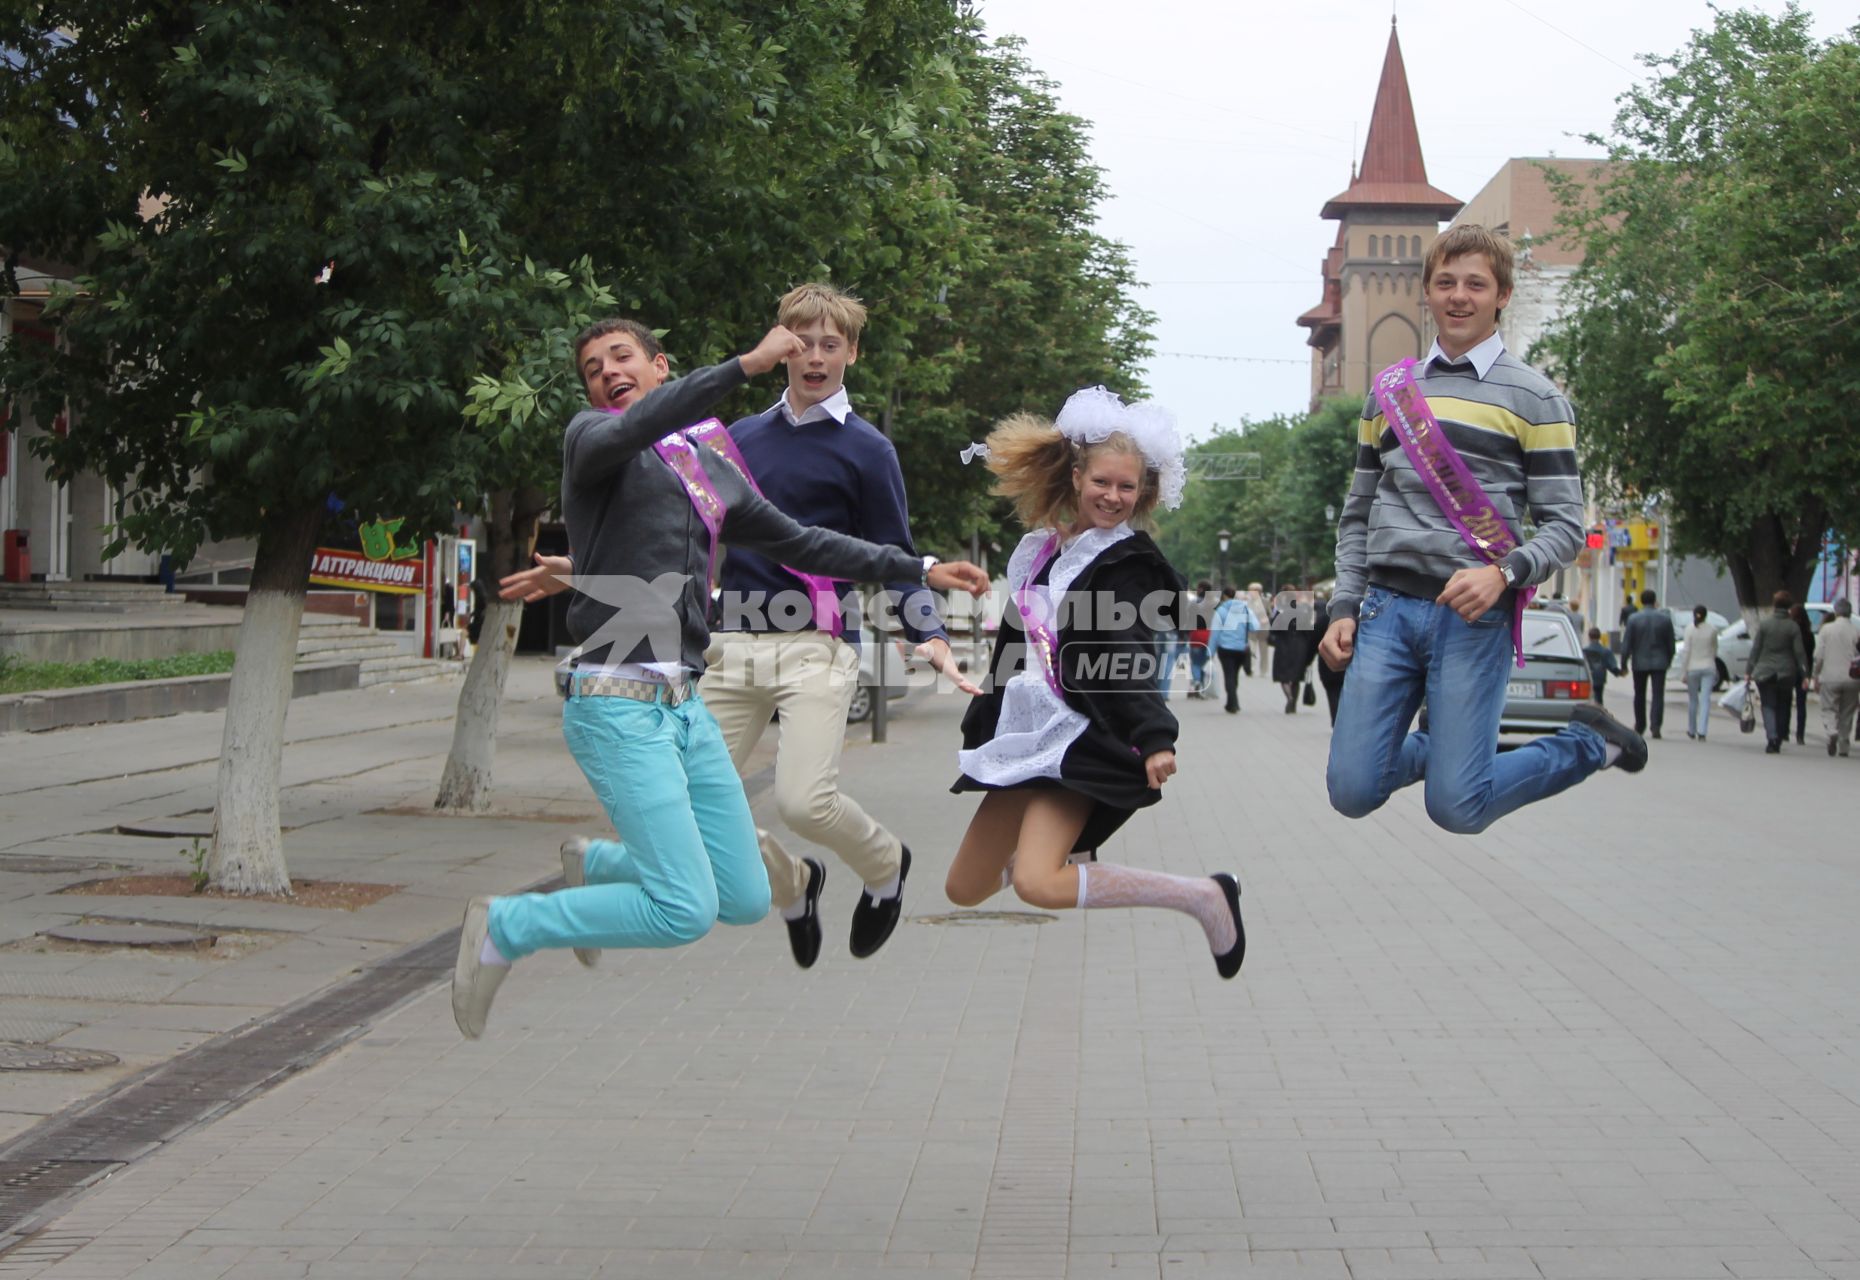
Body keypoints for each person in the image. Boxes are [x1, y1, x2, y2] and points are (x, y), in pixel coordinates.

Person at [452, 318, 987, 1038]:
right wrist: (747, 364)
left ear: (658, 363)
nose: (607, 371)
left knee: (738, 897)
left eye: (622, 357)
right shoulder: (592, 440)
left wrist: (916, 567)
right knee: (682, 910)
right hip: (616, 701)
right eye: (592, 367)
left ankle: (606, 864)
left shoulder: (703, 465)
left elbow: (800, 540)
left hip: (684, 708)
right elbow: (643, 423)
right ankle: (509, 925)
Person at [1320, 223, 1646, 837]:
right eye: (1446, 282)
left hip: (1474, 618)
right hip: (1385, 612)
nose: (1459, 296)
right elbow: (1358, 512)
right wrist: (1343, 606)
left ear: (1503, 294)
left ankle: (1586, 744)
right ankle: (1448, 753)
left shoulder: (1537, 399)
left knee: (1457, 807)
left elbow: (1565, 528)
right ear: (1427, 292)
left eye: (1476, 283)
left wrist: (1503, 574)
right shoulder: (1388, 393)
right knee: (1352, 790)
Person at [690, 283, 973, 969]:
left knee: (803, 803)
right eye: (801, 340)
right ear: (779, 344)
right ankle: (795, 883)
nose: (815, 356)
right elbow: (690, 534)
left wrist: (928, 629)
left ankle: (885, 866)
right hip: (729, 646)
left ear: (852, 352)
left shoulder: (867, 450)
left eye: (831, 343)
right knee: (692, 806)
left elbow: (895, 549)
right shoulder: (737, 440)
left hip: (815, 646)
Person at [943, 387, 1244, 979]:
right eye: (1102, 482)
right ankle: (1067, 850)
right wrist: (988, 705)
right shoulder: (1041, 552)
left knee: (1036, 881)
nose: (1113, 496)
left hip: (1083, 736)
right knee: (964, 887)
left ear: (1143, 492)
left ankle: (1203, 896)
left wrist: (1155, 735)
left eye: (1127, 487)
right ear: (1077, 475)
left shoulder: (1127, 565)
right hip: (1025, 733)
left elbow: (1128, 653)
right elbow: (1015, 637)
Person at [1748, 589, 1808, 755]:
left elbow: (1756, 648)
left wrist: (1749, 670)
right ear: (1789, 606)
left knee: (1768, 705)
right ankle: (1780, 736)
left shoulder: (1765, 624)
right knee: (1783, 704)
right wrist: (1805, 675)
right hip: (1786, 672)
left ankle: (1772, 737)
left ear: (1774, 605)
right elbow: (1800, 652)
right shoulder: (1793, 627)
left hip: (1764, 671)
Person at [1621, 589, 1674, 740]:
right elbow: (1671, 644)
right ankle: (1656, 726)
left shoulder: (1633, 619)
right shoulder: (1664, 619)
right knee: (1658, 695)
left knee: (1639, 695)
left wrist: (1624, 663)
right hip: (1660, 662)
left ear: (1642, 601)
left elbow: (1627, 643)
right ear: (1654, 600)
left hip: (1639, 662)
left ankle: (1640, 725)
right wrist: (1668, 660)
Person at [1811, 597, 1859, 756]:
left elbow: (1819, 656)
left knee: (1829, 708)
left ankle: (1832, 731)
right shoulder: (1856, 631)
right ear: (1850, 612)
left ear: (1836, 611)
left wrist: (1815, 675)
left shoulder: (1826, 630)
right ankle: (1844, 746)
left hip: (1829, 677)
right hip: (1852, 679)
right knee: (1847, 712)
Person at [1209, 586, 1254, 714]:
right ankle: (1232, 702)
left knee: (1228, 674)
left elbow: (1215, 633)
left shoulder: (1221, 611)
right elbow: (1254, 626)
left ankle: (1232, 703)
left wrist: (1210, 651)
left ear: (1223, 596)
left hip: (1225, 648)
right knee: (1234, 675)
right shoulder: (1245, 609)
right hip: (1241, 648)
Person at [1269, 589, 1311, 714]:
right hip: (1299, 647)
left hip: (1283, 646)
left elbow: (1273, 631)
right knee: (1296, 676)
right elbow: (1308, 632)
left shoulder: (1280, 613)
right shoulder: (1303, 612)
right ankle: (1294, 702)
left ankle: (1289, 697)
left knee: (1283, 676)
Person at [1681, 605, 1719, 741]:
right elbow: (1715, 649)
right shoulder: (1712, 630)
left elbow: (1686, 651)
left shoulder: (1689, 629)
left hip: (1692, 668)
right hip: (1709, 666)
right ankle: (1702, 731)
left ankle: (1692, 729)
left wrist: (1683, 671)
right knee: (1705, 700)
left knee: (1693, 700)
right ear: (1706, 615)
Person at [1313, 592, 1345, 725]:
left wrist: (1307, 660)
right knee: (1345, 693)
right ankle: (1342, 721)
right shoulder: (1356, 618)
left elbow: (1313, 640)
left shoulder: (1323, 618)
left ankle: (1336, 721)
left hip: (1327, 661)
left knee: (1333, 693)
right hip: (1348, 661)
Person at [1790, 603, 1817, 746]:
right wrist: (1809, 674)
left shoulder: (1790, 633)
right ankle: (1800, 735)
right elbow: (1810, 657)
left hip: (1789, 670)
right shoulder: (1809, 635)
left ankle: (1783, 732)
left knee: (1785, 701)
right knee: (1801, 704)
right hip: (1803, 672)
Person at [1186, 580, 1215, 699]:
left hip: (1196, 634)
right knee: (1204, 662)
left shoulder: (1194, 603)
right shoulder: (1214, 603)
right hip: (1210, 635)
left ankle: (1197, 681)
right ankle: (1202, 687)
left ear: (1201, 589)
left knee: (1195, 662)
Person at [1583, 626, 1621, 705]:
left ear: (1589, 637)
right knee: (1599, 697)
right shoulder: (1606, 651)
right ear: (1600, 637)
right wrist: (1618, 673)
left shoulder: (1584, 651)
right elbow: (1612, 666)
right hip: (1600, 678)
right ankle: (1599, 710)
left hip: (1587, 677)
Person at [1245, 582, 1269, 679]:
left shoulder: (1265, 601)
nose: (1250, 592)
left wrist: (1266, 619)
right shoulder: (1247, 602)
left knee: (1264, 650)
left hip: (1263, 628)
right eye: (1250, 590)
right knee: (1251, 649)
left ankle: (1263, 670)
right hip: (1251, 629)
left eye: (1253, 590)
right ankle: (1251, 668)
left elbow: (1272, 613)